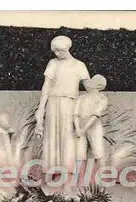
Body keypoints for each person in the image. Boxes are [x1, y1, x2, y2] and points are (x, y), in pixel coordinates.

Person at [35, 36, 90, 190]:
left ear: (68, 48)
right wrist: (41, 108)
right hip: (53, 103)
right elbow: (46, 87)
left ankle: (68, 181)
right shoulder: (52, 63)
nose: (57, 53)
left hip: (71, 104)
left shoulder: (79, 65)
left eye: (60, 50)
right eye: (55, 51)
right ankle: (50, 178)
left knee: (68, 140)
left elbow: (90, 87)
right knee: (52, 139)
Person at [73, 74, 108, 185]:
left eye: (91, 81)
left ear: (98, 85)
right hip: (80, 128)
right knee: (79, 154)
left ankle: (103, 180)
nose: (88, 82)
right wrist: (78, 128)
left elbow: (95, 115)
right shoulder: (81, 98)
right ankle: (79, 181)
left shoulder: (102, 98)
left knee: (98, 152)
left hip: (94, 127)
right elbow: (75, 114)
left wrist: (83, 129)